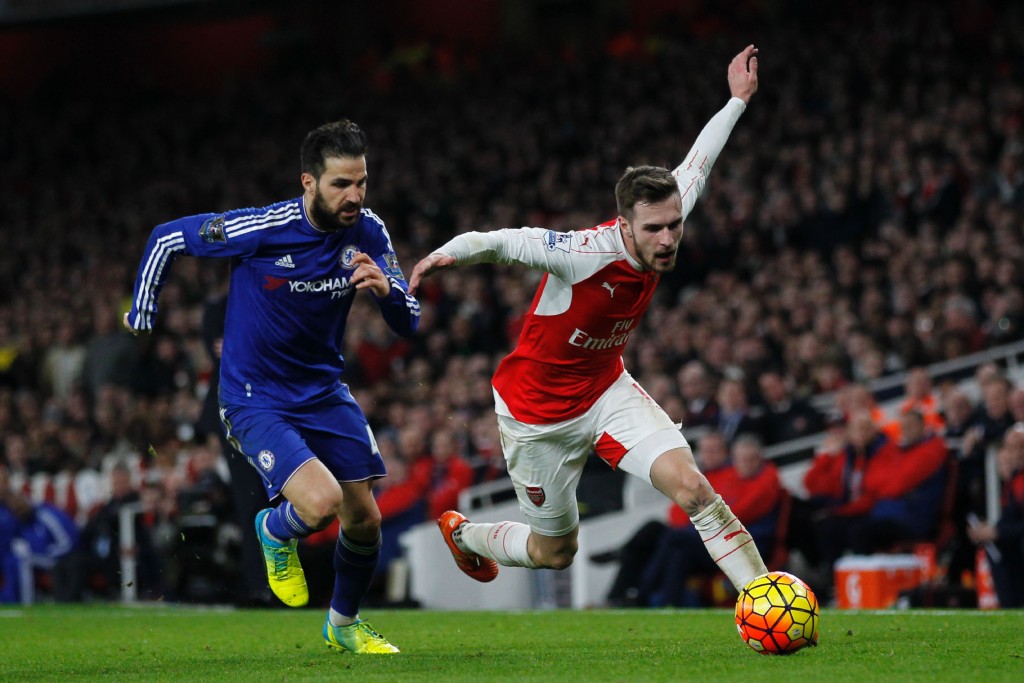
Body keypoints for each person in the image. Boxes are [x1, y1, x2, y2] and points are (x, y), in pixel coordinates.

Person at [409, 46, 769, 598]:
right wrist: (446, 255)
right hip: (536, 416)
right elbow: (505, 242)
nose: (668, 239)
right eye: (653, 230)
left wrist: (737, 100)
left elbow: (699, 161)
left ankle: (765, 600)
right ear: (624, 225)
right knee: (554, 553)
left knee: (695, 489)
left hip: (606, 392)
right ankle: (467, 536)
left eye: (674, 225)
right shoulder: (583, 252)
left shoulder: (668, 214)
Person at [123, 120, 420, 654]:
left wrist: (387, 294)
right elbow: (167, 238)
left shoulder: (369, 231)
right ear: (309, 182)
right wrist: (143, 310)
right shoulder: (262, 227)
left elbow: (410, 320)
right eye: (341, 184)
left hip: (323, 392)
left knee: (365, 519)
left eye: (361, 182)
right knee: (322, 503)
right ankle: (275, 530)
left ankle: (343, 626)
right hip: (255, 397)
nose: (354, 196)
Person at [967, 425, 1024, 607]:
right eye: (1012, 448)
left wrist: (997, 531)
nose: (1018, 453)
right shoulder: (1014, 482)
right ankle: (1010, 607)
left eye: (1022, 447)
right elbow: (1011, 519)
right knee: (995, 547)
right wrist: (990, 530)